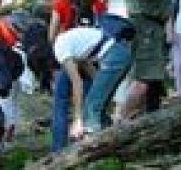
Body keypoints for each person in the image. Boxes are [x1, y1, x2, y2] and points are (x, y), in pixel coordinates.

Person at [50, 22, 132, 151]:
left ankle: (93, 146)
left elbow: (77, 83)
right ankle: (111, 144)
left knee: (90, 108)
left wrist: (78, 119)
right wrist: (102, 92)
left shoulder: (60, 50)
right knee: (99, 107)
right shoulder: (74, 46)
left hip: (114, 56)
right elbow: (93, 74)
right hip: (122, 53)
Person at [89, 0, 132, 122]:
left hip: (129, 24)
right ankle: (114, 106)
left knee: (127, 65)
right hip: (112, 26)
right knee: (113, 63)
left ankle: (123, 108)